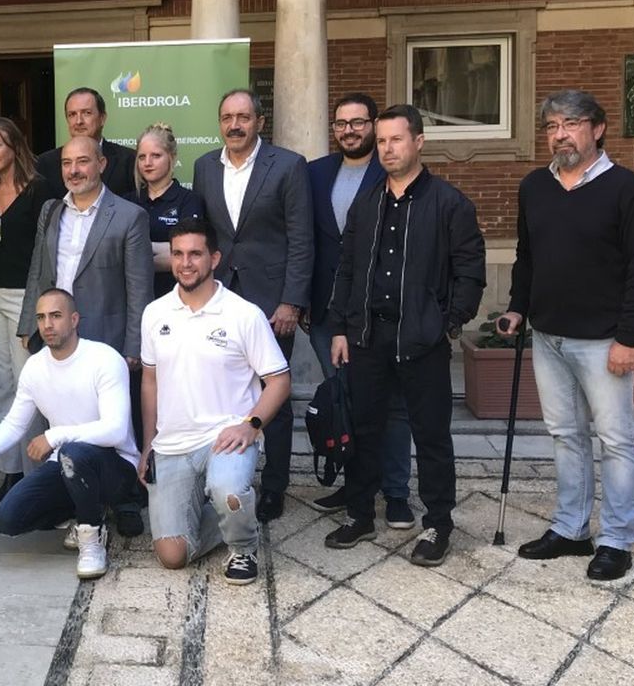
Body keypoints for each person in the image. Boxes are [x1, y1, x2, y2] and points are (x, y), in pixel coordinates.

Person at [502, 90, 634, 582]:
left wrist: (629, 338)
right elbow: (527, 256)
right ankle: (571, 529)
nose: (560, 134)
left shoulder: (627, 190)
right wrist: (516, 307)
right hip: (548, 337)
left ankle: (616, 539)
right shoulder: (535, 186)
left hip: (603, 340)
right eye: (552, 125)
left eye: (571, 123)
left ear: (598, 129)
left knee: (615, 439)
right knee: (565, 436)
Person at [324, 105, 485, 566]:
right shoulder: (368, 201)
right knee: (364, 429)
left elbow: (470, 272)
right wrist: (340, 327)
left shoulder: (449, 203)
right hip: (368, 338)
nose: (388, 149)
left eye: (396, 139)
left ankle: (438, 523)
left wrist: (448, 322)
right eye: (382, 142)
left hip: (422, 342)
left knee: (431, 436)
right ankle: (359, 513)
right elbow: (349, 269)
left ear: (419, 142)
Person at [140, 219, 291, 586]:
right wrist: (147, 446)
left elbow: (279, 380)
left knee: (229, 490)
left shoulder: (243, 314)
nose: (185, 263)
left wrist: (251, 424)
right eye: (177, 254)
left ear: (214, 258)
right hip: (173, 444)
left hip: (225, 438)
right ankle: (227, 513)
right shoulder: (154, 313)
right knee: (173, 555)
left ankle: (242, 545)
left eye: (195, 254)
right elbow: (149, 380)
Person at [19, 135, 153, 539]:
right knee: (65, 416)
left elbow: (140, 288)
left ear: (101, 164)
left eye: (82, 162)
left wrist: (134, 346)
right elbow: (39, 270)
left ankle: (125, 498)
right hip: (58, 332)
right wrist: (30, 323)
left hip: (108, 334)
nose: (73, 170)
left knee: (116, 424)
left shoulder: (128, 216)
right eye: (66, 163)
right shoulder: (50, 210)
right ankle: (75, 499)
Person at [0, 289, 140, 580]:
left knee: (72, 452)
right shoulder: (36, 366)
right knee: (8, 519)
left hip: (115, 468)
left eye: (56, 315)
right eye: (41, 317)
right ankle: (81, 510)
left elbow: (115, 430)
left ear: (75, 319)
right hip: (66, 465)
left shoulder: (103, 358)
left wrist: (55, 437)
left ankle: (91, 538)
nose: (47, 325)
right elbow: (14, 424)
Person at [191, 88, 311, 523]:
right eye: (227, 117)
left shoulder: (289, 166)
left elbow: (301, 238)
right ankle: (219, 476)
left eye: (243, 116)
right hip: (218, 297)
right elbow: (205, 235)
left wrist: (291, 302)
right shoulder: (205, 166)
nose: (235, 124)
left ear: (260, 121)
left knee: (272, 396)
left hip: (271, 303)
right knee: (218, 391)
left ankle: (274, 485)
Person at [306, 94, 414, 527]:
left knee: (391, 406)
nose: (349, 130)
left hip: (379, 312)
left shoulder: (390, 172)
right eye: (341, 123)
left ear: (373, 126)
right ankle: (356, 486)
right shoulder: (315, 173)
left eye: (358, 122)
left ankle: (397, 491)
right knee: (344, 403)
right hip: (327, 311)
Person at [0, 116, 48, 504]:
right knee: (2, 383)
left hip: (24, 298)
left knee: (27, 385)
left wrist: (37, 307)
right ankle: (10, 470)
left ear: (15, 146)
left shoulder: (39, 192)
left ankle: (34, 476)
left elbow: (43, 254)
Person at [132, 123, 203, 301]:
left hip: (179, 299)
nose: (147, 163)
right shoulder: (127, 201)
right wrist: (165, 249)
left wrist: (134, 254)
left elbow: (189, 255)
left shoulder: (189, 200)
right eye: (142, 157)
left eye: (156, 156)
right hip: (134, 300)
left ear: (171, 157)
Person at [35, 87, 136, 199]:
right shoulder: (45, 164)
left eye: (86, 113)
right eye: (72, 115)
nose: (79, 121)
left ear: (102, 118)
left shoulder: (129, 160)